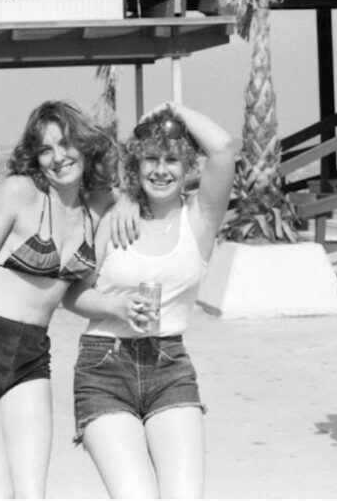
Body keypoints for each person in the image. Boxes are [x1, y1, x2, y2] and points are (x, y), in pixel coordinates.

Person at [0, 101, 120, 497]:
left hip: (30, 356)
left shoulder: (100, 206)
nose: (58, 157)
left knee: (32, 496)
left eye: (66, 143)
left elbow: (75, 295)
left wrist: (117, 307)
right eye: (46, 149)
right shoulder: (18, 192)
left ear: (85, 145)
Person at [62, 102, 236, 498]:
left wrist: (172, 108)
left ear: (189, 167)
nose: (161, 169)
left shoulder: (201, 220)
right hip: (103, 367)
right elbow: (73, 296)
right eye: (151, 160)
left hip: (169, 366)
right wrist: (115, 307)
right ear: (136, 167)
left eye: (172, 160)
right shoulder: (113, 216)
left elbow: (223, 147)